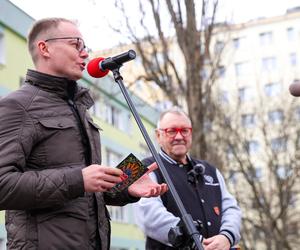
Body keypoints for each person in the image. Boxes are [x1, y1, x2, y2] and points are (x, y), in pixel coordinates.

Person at [0, 17, 167, 250]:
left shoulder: (79, 109)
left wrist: (124, 186)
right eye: (75, 44)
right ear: (44, 47)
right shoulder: (17, 106)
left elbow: (85, 192)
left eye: (84, 47)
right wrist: (79, 179)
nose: (85, 54)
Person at [134, 107, 242, 250]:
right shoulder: (144, 168)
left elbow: (231, 209)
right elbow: (150, 216)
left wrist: (227, 236)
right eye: (171, 131)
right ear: (158, 135)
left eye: (184, 130)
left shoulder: (211, 170)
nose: (179, 137)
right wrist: (194, 240)